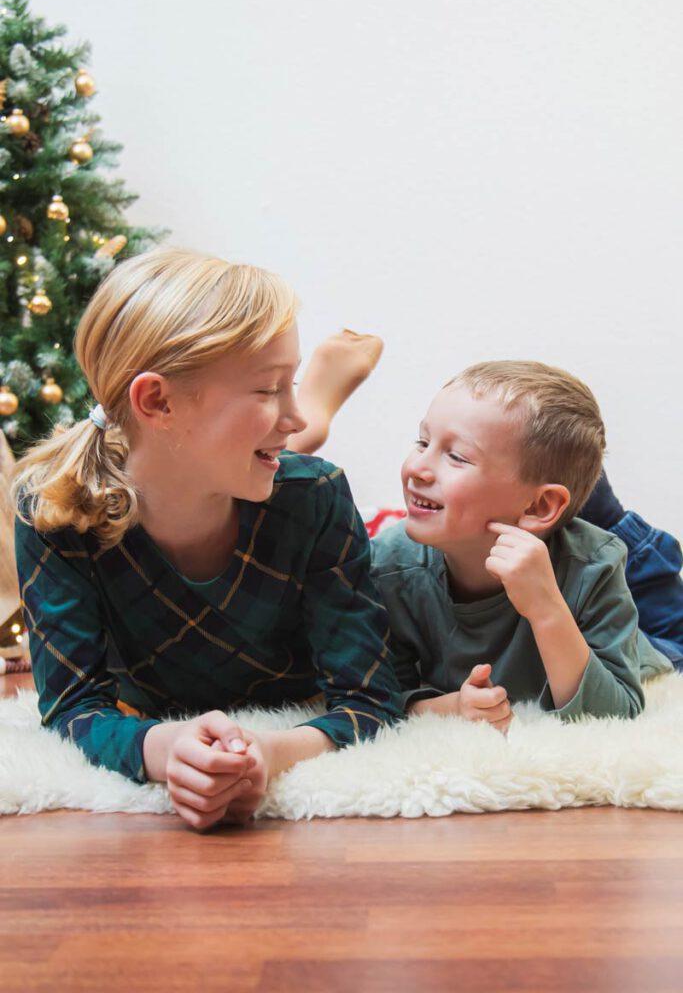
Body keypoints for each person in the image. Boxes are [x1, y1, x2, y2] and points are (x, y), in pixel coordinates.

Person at [13, 247, 402, 830]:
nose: (288, 416)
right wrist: (166, 747)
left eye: (290, 386)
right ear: (158, 401)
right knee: (294, 442)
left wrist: (272, 752)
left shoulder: (317, 496)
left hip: (281, 504)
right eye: (269, 390)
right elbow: (72, 708)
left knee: (299, 453)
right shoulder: (55, 514)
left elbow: (370, 701)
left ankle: (306, 398)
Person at [369, 361, 680, 732]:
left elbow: (613, 715)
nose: (418, 467)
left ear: (538, 507)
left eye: (457, 456)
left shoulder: (595, 562)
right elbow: (378, 698)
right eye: (422, 441)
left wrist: (546, 606)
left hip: (651, 639)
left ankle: (597, 503)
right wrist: (451, 705)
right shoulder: (387, 565)